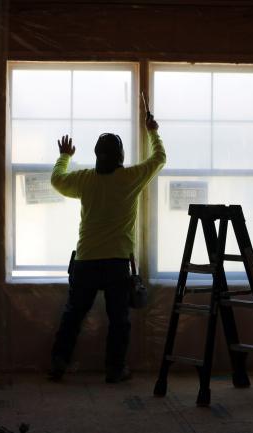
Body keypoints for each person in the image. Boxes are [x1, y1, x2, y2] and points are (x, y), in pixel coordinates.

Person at [48, 113, 165, 382]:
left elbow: (57, 180)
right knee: (119, 320)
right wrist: (153, 131)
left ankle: (58, 364)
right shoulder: (129, 178)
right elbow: (159, 159)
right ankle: (115, 370)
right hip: (116, 263)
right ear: (121, 156)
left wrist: (64, 156)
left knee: (73, 315)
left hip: (86, 260)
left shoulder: (86, 180)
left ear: (97, 155)